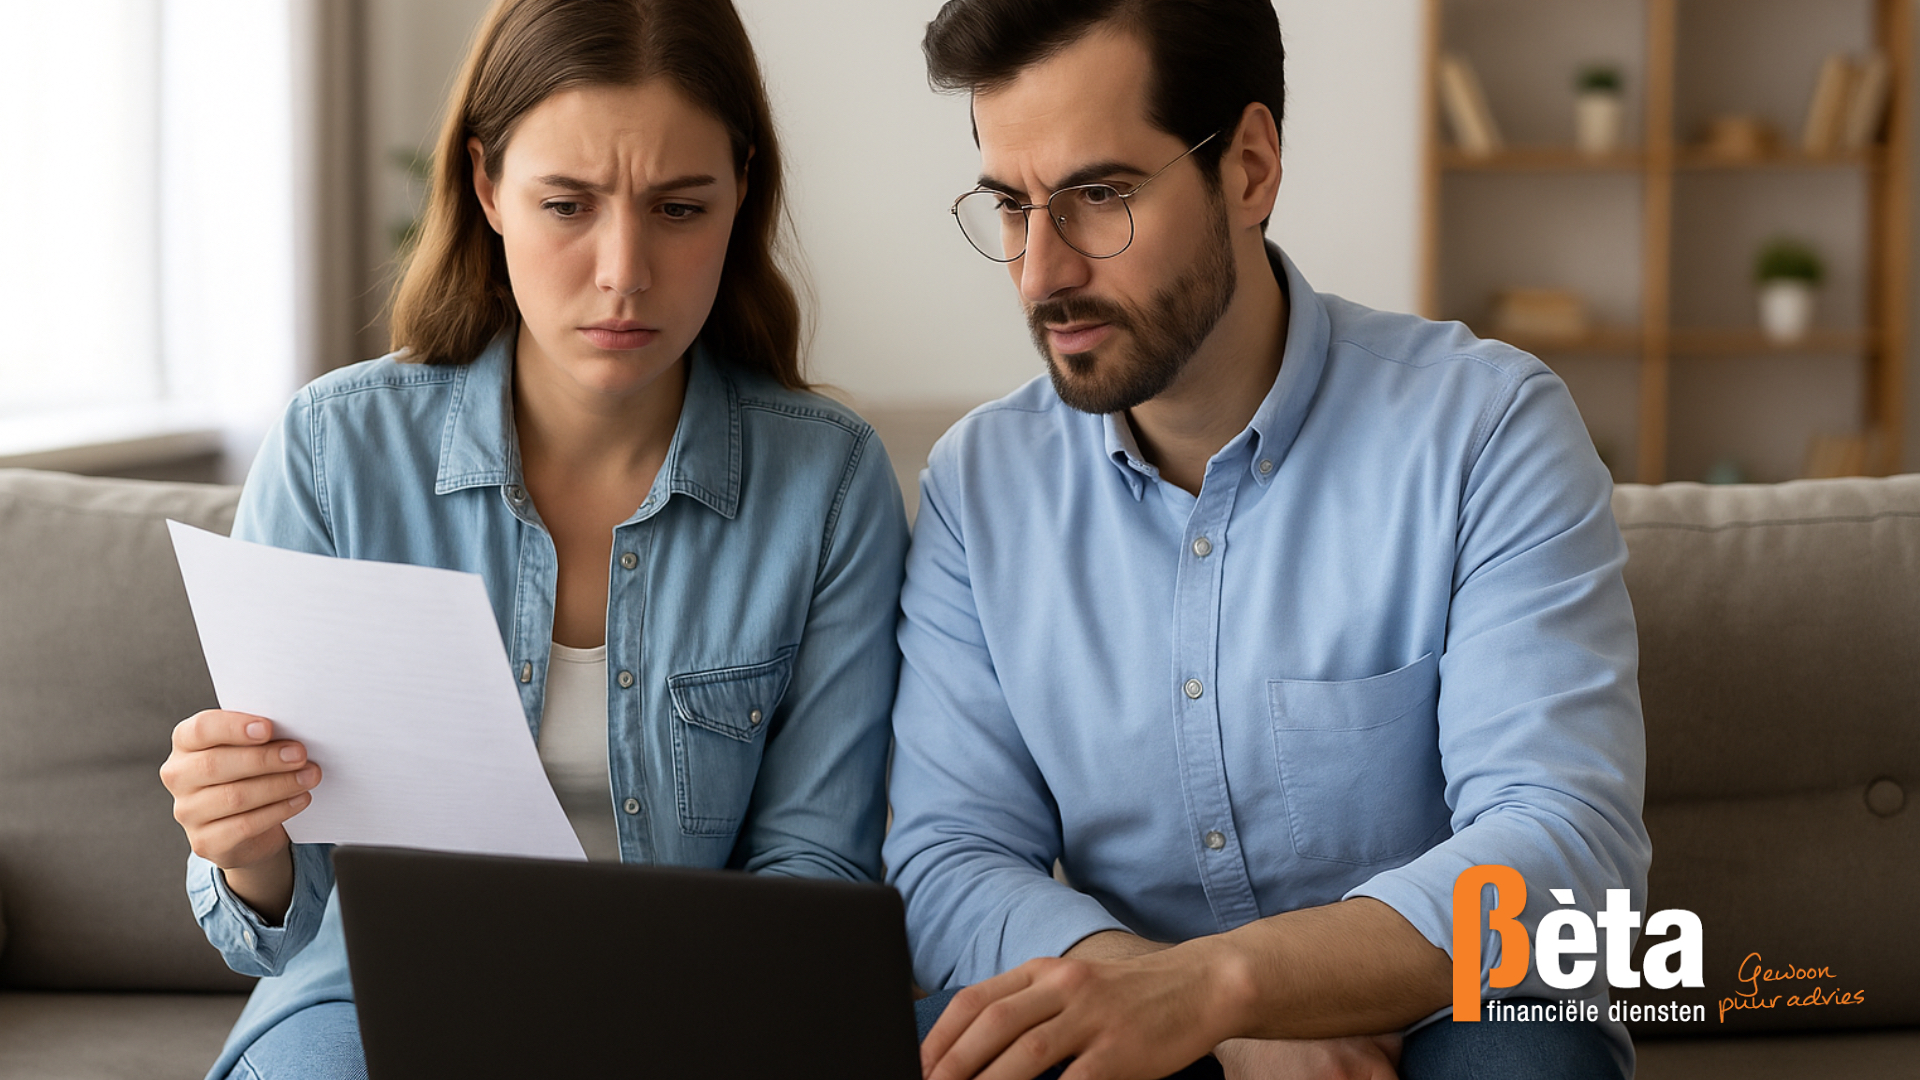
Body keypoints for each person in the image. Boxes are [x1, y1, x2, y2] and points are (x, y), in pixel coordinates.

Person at [883, 3, 1651, 1079]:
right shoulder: (980, 487)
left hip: (1445, 1026)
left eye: (1100, 196)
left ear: (1247, 169)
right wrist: (1183, 1013)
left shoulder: (1486, 430)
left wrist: (1231, 987)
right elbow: (947, 855)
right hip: (1151, 1030)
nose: (1039, 273)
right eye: (1012, 205)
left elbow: (1568, 849)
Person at [157, 1, 907, 1076]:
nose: (624, 271)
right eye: (567, 204)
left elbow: (816, 866)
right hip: (368, 1006)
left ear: (741, 190)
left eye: (680, 208)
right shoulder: (334, 450)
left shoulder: (828, 482)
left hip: (698, 1010)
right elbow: (277, 920)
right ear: (486, 186)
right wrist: (243, 848)